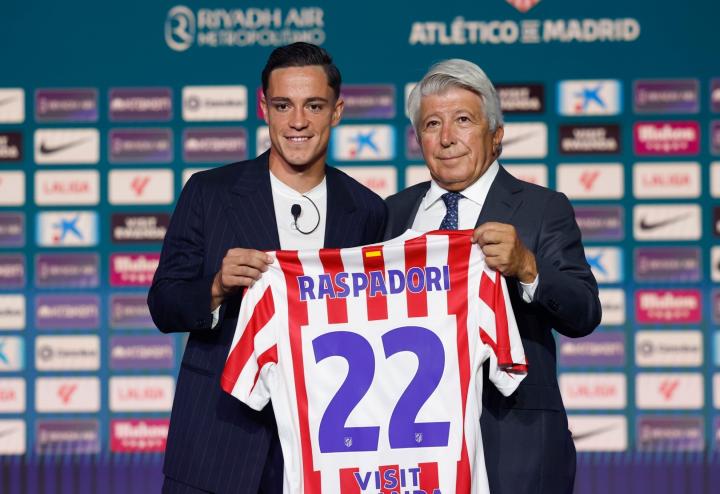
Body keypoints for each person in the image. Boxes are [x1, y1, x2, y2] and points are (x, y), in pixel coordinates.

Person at [148, 42, 387, 494]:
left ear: (337, 112)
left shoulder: (367, 210)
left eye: (313, 105)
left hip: (329, 445)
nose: (298, 121)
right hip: (218, 443)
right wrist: (215, 287)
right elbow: (164, 304)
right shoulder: (209, 193)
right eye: (283, 105)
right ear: (263, 108)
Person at [385, 59, 601, 494]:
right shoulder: (389, 215)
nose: (447, 138)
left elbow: (584, 313)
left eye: (463, 120)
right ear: (418, 139)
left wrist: (528, 268)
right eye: (432, 124)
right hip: (410, 446)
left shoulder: (542, 208)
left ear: (496, 134)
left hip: (513, 445)